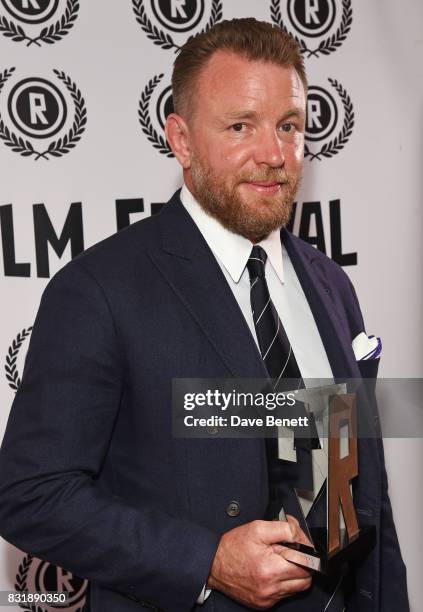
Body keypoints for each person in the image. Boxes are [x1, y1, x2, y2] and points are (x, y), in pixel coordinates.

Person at [0, 18, 408, 612]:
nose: (273, 154)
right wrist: (206, 562)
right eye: (241, 125)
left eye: (288, 126)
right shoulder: (97, 291)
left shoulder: (331, 285)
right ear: (183, 140)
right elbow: (30, 494)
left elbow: (364, 489)